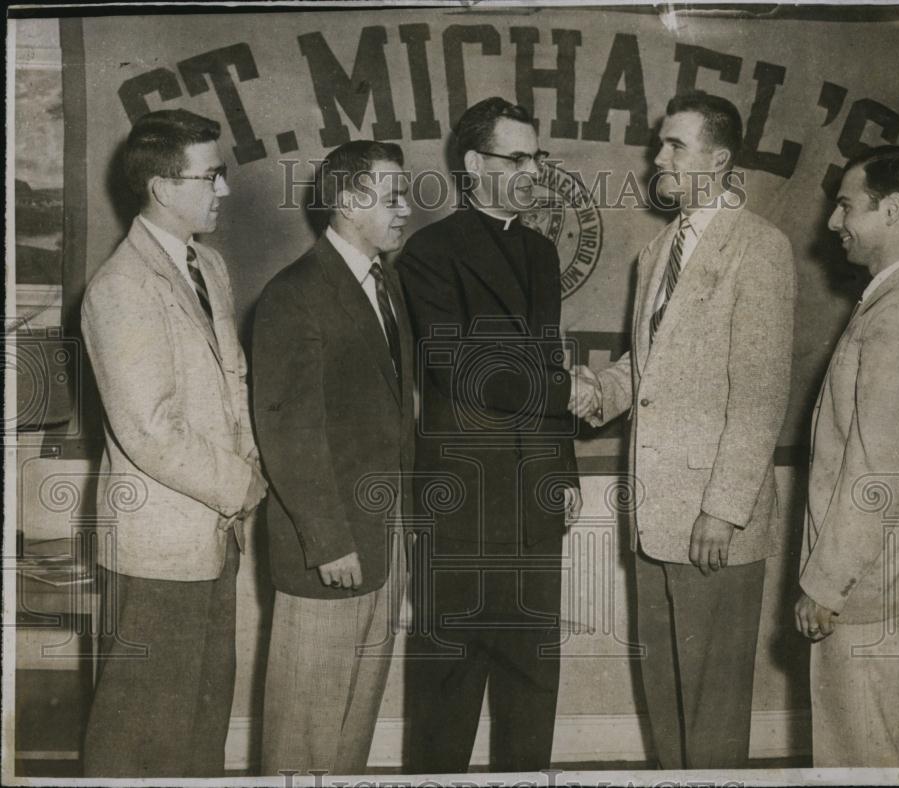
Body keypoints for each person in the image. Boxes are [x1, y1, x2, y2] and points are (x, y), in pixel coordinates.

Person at [573, 91, 795, 769]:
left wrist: (723, 511)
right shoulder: (656, 251)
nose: (657, 158)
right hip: (654, 520)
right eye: (659, 145)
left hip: (712, 523)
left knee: (712, 706)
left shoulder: (760, 248)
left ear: (719, 160)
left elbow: (760, 393)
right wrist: (591, 392)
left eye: (675, 145)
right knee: (664, 695)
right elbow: (651, 361)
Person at [396, 97, 585, 773]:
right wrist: (571, 394)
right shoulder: (429, 252)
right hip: (465, 512)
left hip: (533, 504)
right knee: (446, 699)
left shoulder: (538, 250)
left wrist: (562, 471)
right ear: (475, 165)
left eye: (538, 156)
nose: (534, 170)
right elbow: (468, 371)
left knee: (532, 693)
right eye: (517, 157)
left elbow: (547, 357)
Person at [80, 109, 266, 777]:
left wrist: (246, 470)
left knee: (198, 723)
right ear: (162, 187)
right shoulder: (121, 288)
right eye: (210, 176)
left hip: (213, 534)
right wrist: (241, 484)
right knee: (137, 731)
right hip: (155, 547)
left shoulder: (208, 267)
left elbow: (232, 384)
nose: (223, 190)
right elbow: (150, 428)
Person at [795, 145, 899, 767]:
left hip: (869, 580)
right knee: (887, 746)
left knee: (858, 756)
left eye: (846, 207)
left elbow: (872, 470)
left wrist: (826, 584)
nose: (835, 223)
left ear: (891, 211)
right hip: (893, 571)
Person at [252, 140, 415, 775]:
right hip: (331, 551)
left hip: (380, 542)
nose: (406, 209)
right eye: (393, 195)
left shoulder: (385, 283)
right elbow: (288, 434)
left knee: (352, 727)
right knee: (306, 737)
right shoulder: (295, 293)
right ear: (348, 202)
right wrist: (327, 542)